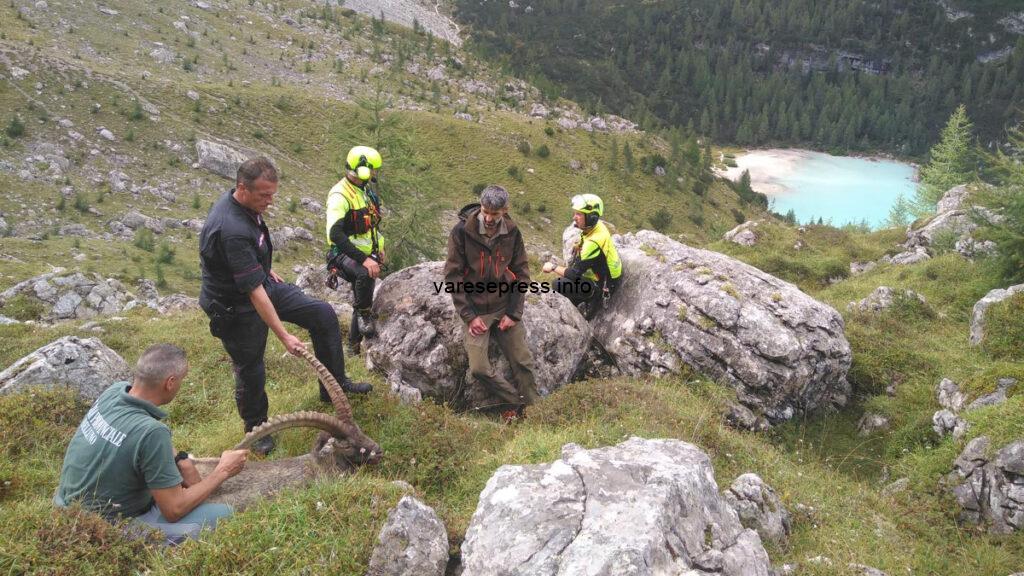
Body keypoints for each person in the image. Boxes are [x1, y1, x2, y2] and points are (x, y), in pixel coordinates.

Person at [199, 157, 371, 456]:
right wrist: (283, 335)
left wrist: (262, 268)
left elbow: (254, 256)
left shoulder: (247, 207)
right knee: (251, 367)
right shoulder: (232, 228)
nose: (270, 201)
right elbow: (253, 293)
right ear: (242, 188)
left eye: (273, 194)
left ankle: (333, 386)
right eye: (264, 195)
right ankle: (256, 428)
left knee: (322, 314)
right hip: (234, 307)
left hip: (259, 284)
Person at [54, 344, 248, 545]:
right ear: (170, 382)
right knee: (224, 514)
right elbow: (174, 510)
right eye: (182, 380)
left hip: (64, 507)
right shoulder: (152, 432)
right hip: (102, 530)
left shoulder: (113, 393)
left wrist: (181, 459)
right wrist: (224, 470)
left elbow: (133, 439)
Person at [443, 185, 540, 421]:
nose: (488, 218)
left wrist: (514, 314)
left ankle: (537, 414)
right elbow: (453, 276)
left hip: (504, 305)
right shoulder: (461, 232)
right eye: (485, 212)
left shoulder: (513, 232)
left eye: (494, 214)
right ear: (480, 206)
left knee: (523, 362)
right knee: (478, 368)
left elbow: (521, 273)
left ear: (504, 211)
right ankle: (514, 401)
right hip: (476, 310)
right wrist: (469, 316)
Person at [325, 146, 386, 355]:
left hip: (366, 252)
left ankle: (352, 347)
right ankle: (363, 315)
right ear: (362, 169)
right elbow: (335, 234)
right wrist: (365, 260)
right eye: (373, 169)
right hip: (341, 254)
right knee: (364, 274)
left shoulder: (365, 191)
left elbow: (372, 226)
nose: (375, 173)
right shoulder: (339, 195)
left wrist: (380, 247)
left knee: (364, 292)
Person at [542, 193, 623, 319]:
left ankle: (588, 301)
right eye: (575, 213)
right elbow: (586, 236)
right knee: (570, 270)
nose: (574, 217)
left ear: (591, 217)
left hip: (603, 284)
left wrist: (553, 267)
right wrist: (579, 245)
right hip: (604, 274)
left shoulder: (593, 242)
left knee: (558, 284)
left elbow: (574, 274)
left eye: (579, 214)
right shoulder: (596, 226)